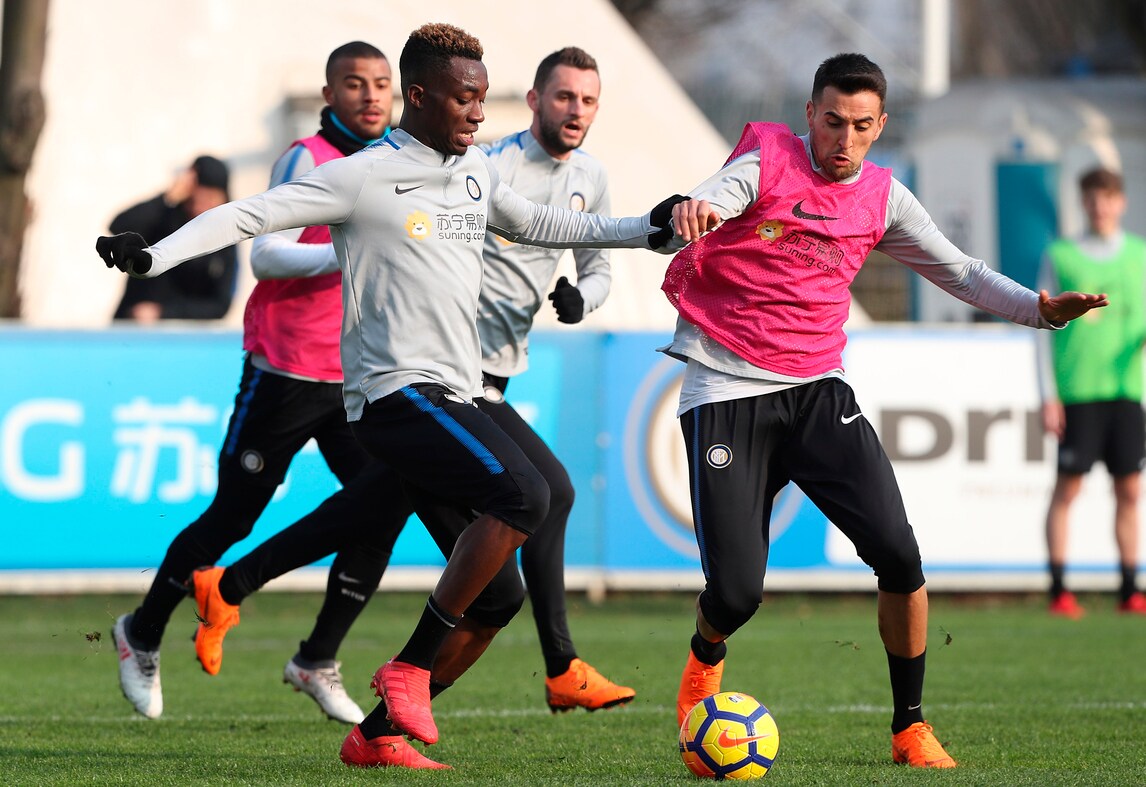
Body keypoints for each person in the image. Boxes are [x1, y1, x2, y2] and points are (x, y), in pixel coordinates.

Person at [96, 22, 672, 770]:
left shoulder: (475, 171)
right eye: (464, 99)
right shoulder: (363, 175)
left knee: (499, 597)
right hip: (392, 395)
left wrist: (649, 229)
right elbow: (251, 216)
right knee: (528, 494)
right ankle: (401, 667)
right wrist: (152, 255)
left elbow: (546, 222)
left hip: (453, 395)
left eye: (481, 99)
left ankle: (374, 735)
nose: (477, 113)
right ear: (421, 96)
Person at [654, 53, 1108, 769]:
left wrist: (1039, 311)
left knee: (900, 556)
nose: (845, 139)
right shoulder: (766, 160)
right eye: (833, 121)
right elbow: (719, 192)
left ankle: (909, 727)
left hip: (816, 392)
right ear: (810, 113)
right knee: (736, 595)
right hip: (726, 388)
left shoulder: (884, 196)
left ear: (881, 125)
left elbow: (960, 271)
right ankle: (705, 656)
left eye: (862, 126)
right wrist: (695, 205)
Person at [108, 41, 397, 724]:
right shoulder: (306, 158)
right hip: (285, 369)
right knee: (233, 517)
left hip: (355, 377)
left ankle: (316, 658)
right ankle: (141, 633)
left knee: (382, 503)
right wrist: (349, 251)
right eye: (354, 83)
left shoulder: (394, 164)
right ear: (329, 95)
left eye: (381, 83)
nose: (370, 96)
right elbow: (266, 254)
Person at [1037, 167, 1146, 619]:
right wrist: (1048, 394)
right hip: (1077, 392)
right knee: (1068, 489)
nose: (1100, 206)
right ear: (1083, 202)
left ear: (1121, 202)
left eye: (1108, 197)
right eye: (1092, 197)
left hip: (1126, 392)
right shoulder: (1061, 255)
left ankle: (1130, 589)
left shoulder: (1140, 255)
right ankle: (1059, 589)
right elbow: (1041, 327)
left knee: (1130, 491)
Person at [110, 155, 237, 322]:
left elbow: (220, 305)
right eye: (197, 196)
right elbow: (118, 227)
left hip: (185, 334)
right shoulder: (163, 217)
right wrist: (167, 197)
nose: (201, 205)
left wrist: (163, 313)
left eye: (210, 197)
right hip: (133, 328)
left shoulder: (226, 238)